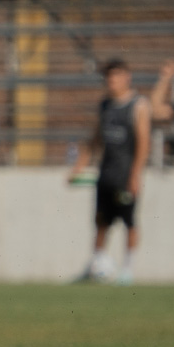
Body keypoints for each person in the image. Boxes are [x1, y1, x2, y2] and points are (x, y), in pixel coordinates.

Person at [67, 58, 150, 285]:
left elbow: (143, 141)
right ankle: (95, 264)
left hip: (125, 175)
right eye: (108, 77)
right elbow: (95, 138)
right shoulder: (105, 105)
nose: (111, 81)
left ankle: (128, 270)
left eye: (115, 76)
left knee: (129, 221)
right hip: (106, 173)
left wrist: (135, 174)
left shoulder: (138, 105)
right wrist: (79, 166)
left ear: (126, 77)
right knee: (101, 222)